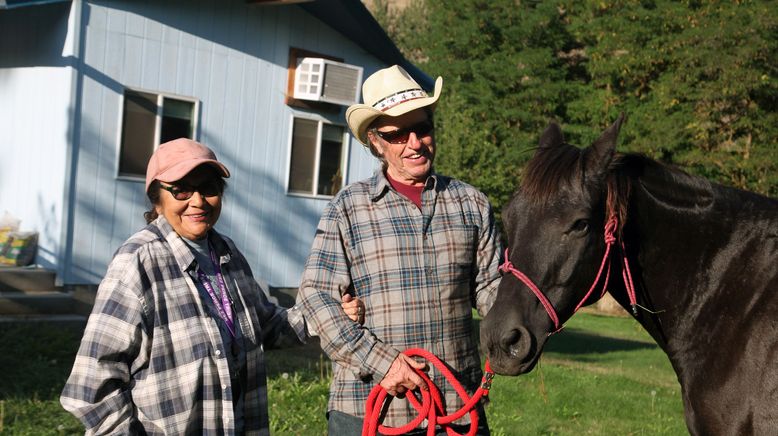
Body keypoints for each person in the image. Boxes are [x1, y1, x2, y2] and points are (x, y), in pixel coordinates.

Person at [60, 138, 364, 435]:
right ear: (157, 199)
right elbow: (92, 383)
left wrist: (327, 314)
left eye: (209, 187)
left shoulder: (226, 254)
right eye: (180, 190)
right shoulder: (139, 262)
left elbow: (267, 326)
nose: (198, 201)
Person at [296, 65, 503, 435]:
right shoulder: (348, 208)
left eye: (421, 129)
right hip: (368, 408)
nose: (414, 143)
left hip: (455, 408)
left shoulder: (472, 204)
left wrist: (526, 314)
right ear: (376, 142)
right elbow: (315, 297)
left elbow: (491, 291)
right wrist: (384, 363)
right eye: (397, 135)